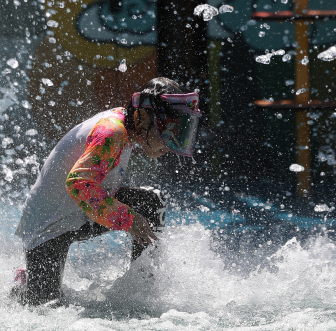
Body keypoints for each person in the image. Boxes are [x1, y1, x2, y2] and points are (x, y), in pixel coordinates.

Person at [12, 77, 201, 306]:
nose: (170, 142)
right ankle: (24, 285)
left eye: (176, 131)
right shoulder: (111, 131)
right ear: (140, 117)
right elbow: (79, 184)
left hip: (80, 214)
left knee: (151, 202)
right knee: (44, 307)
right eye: (166, 129)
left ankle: (141, 289)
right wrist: (127, 219)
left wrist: (129, 217)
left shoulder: (129, 126)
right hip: (48, 228)